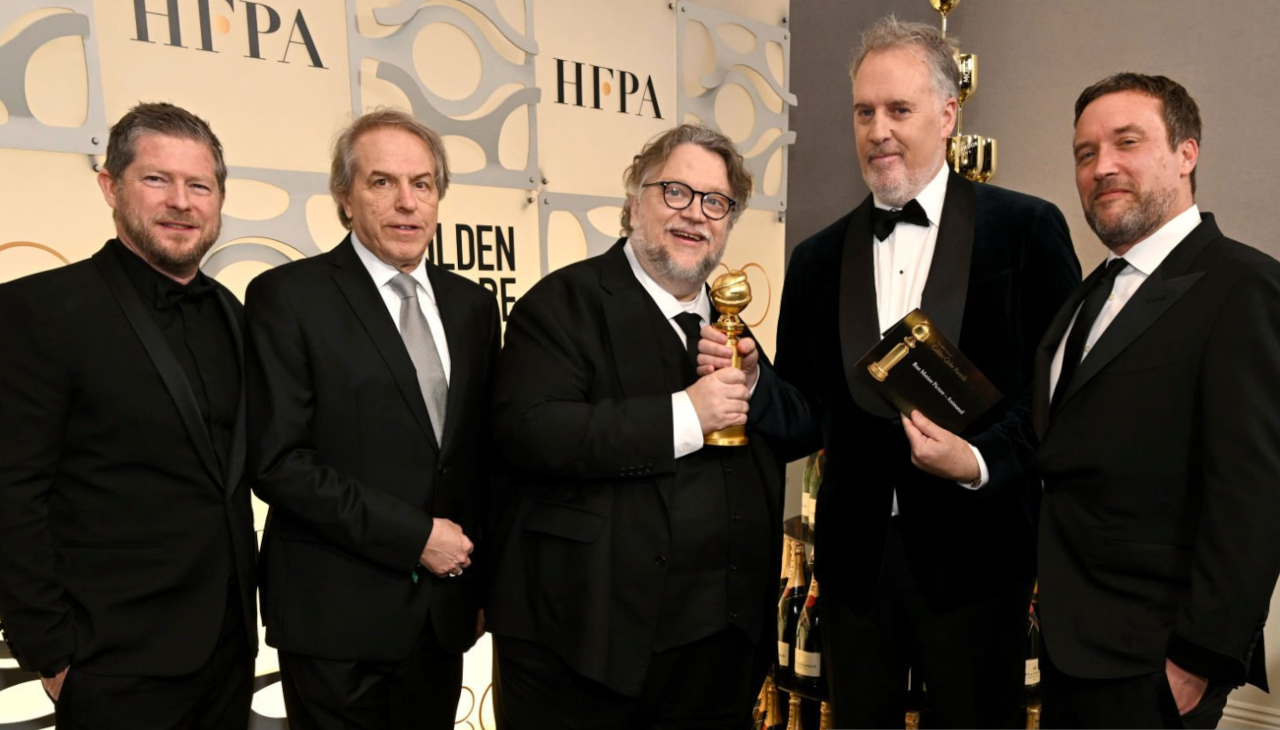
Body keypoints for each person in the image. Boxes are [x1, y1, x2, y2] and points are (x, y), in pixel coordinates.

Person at [717, 16, 1081, 728]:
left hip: (981, 563)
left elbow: (1059, 398)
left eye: (898, 110)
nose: (878, 130)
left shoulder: (1027, 229)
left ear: (948, 115)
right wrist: (755, 380)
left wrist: (977, 460)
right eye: (864, 112)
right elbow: (803, 414)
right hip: (856, 572)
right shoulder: (817, 259)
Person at [485, 123, 784, 730]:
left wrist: (756, 385)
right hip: (590, 661)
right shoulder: (562, 303)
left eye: (715, 202)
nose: (695, 214)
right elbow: (531, 431)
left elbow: (790, 429)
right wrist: (686, 415)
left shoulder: (728, 326)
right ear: (633, 200)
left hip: (722, 659)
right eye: (675, 191)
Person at [1034, 72, 1280, 729]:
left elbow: (1252, 495)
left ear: (1186, 153)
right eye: (1085, 153)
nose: (1102, 166)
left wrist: (1197, 661)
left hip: (1156, 667)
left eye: (1127, 142)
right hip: (1066, 653)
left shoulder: (1245, 287)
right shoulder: (1084, 299)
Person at [0, 102, 257, 729]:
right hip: (111, 663)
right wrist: (52, 653)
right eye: (156, 179)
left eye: (199, 185)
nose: (181, 201)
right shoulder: (39, 311)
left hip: (229, 653)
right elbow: (12, 492)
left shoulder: (235, 313)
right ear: (110, 187)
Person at [244, 108, 499, 729]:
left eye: (423, 184)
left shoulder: (473, 306)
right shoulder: (289, 297)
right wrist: (416, 537)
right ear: (344, 196)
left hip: (442, 618)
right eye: (382, 182)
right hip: (335, 618)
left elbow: (479, 459)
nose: (406, 203)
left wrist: (482, 586)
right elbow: (278, 464)